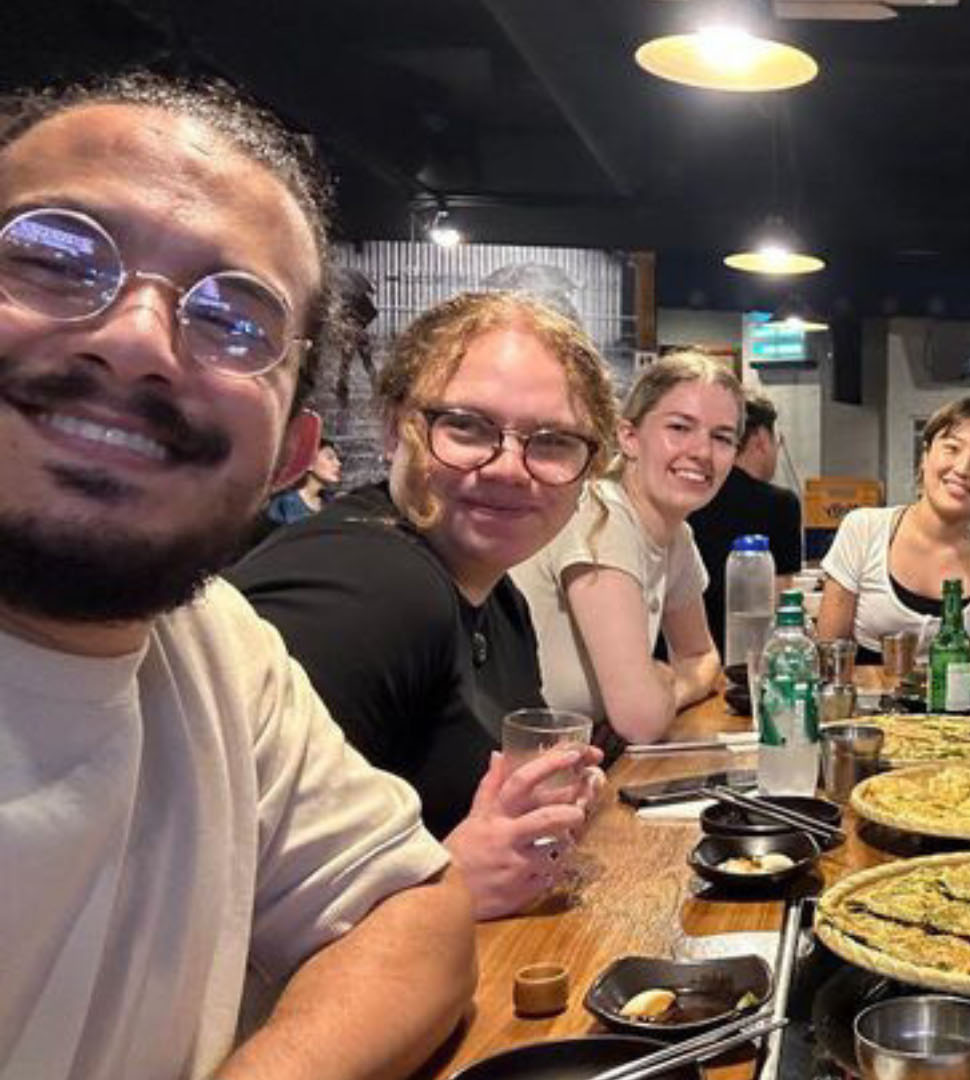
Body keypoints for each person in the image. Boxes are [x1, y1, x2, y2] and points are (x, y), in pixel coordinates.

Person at [0, 74, 473, 1079]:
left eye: (234, 319)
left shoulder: (211, 643)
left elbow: (415, 918)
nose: (135, 342)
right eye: (54, 257)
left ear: (291, 453)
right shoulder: (370, 585)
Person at [231, 289, 619, 920]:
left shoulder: (499, 599)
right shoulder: (365, 584)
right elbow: (209, 901)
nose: (509, 468)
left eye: (551, 442)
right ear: (395, 428)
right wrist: (448, 882)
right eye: (466, 427)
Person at [514, 352, 737, 746]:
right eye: (680, 427)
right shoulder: (601, 516)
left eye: (722, 437)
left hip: (578, 767)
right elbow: (640, 720)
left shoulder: (677, 535)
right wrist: (660, 683)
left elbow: (702, 657)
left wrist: (668, 683)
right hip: (508, 774)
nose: (702, 451)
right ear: (629, 437)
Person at [818, 397, 970, 659]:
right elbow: (828, 657)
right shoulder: (864, 529)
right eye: (952, 448)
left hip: (960, 700)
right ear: (925, 457)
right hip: (864, 698)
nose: (962, 469)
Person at [687, 387, 803, 648]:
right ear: (762, 438)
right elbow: (780, 600)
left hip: (680, 650)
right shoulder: (781, 504)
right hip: (746, 655)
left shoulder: (689, 496)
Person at [265, 435, 340, 524]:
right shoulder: (284, 505)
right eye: (330, 458)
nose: (338, 463)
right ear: (309, 464)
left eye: (337, 458)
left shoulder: (332, 503)